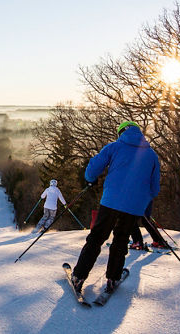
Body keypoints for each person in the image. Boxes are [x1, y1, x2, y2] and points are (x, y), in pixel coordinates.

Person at [71, 121, 160, 294]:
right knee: (121, 239)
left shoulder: (114, 147)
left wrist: (90, 179)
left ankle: (79, 276)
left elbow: (93, 169)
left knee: (96, 238)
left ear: (121, 133)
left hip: (111, 201)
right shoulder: (152, 155)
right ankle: (113, 278)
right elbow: (155, 188)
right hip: (134, 207)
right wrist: (143, 202)